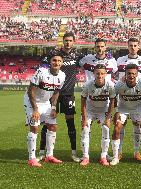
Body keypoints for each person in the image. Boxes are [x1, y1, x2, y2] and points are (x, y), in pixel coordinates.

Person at [38, 32, 83, 162]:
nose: (68, 43)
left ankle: (74, 153)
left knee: (71, 123)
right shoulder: (54, 54)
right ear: (63, 41)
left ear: (74, 42)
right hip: (52, 93)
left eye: (70, 40)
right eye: (66, 40)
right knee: (47, 123)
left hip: (68, 94)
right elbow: (43, 66)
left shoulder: (78, 56)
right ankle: (42, 152)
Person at [24, 54, 65, 167]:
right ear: (50, 62)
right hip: (32, 102)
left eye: (59, 61)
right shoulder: (41, 72)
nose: (56, 63)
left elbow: (56, 92)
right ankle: (31, 158)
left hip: (46, 103)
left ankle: (49, 155)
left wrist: (53, 107)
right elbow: (30, 91)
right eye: (54, 60)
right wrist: (35, 109)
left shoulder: (62, 75)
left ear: (62, 63)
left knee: (53, 126)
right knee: (34, 127)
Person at [110, 64, 141, 166]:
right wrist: (116, 111)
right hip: (123, 109)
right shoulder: (119, 85)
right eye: (129, 73)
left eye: (133, 73)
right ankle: (116, 156)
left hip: (138, 109)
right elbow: (112, 96)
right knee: (117, 129)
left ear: (137, 74)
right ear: (125, 74)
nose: (131, 76)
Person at [116, 37, 141, 161]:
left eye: (135, 45)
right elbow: (114, 75)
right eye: (131, 45)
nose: (133, 47)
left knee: (137, 126)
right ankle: (119, 152)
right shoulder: (120, 60)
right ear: (128, 46)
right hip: (123, 99)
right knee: (121, 126)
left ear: (138, 47)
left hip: (136, 99)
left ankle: (136, 152)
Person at [80, 64, 115, 166]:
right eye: (97, 73)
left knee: (106, 128)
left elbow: (112, 101)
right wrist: (85, 118)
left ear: (105, 74)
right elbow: (83, 101)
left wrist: (108, 118)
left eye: (102, 73)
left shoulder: (110, 85)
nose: (100, 75)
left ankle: (103, 156)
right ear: (94, 74)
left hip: (103, 110)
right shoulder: (88, 85)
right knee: (85, 129)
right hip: (90, 110)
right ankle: (85, 156)